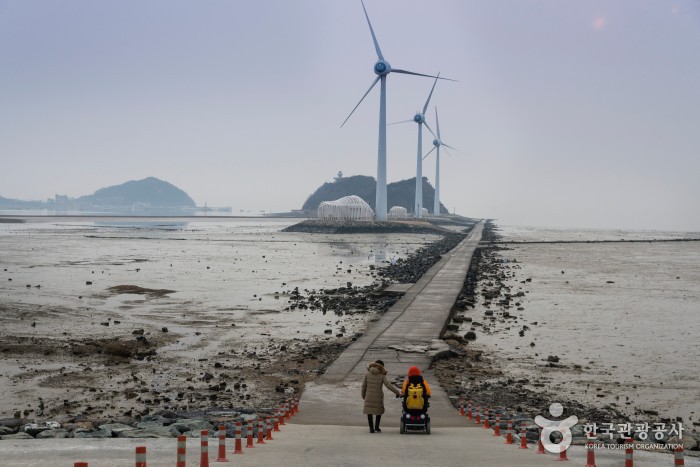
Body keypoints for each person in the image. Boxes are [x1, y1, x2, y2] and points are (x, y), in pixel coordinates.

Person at [361, 359, 401, 433]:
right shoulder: (382, 376)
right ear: (381, 367)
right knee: (378, 411)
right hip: (378, 396)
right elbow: (389, 385)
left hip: (368, 396)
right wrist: (397, 392)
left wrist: (363, 395)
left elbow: (364, 386)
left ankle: (371, 428)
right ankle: (376, 427)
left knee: (369, 411)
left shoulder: (368, 374)